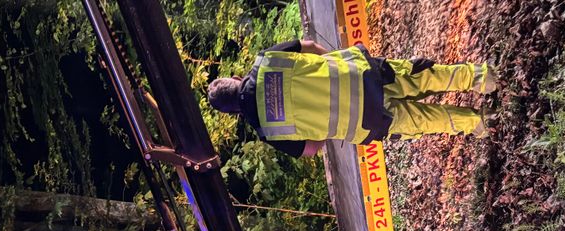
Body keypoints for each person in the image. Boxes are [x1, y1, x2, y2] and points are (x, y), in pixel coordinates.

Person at [207, 38, 498, 158]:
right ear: (235, 79)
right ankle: (482, 78)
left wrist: (323, 122)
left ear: (235, 113)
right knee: (421, 77)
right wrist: (336, 64)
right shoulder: (266, 60)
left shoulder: (268, 131)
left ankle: (479, 122)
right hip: (363, 75)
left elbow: (313, 149)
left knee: (422, 120)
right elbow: (309, 45)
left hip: (364, 121)